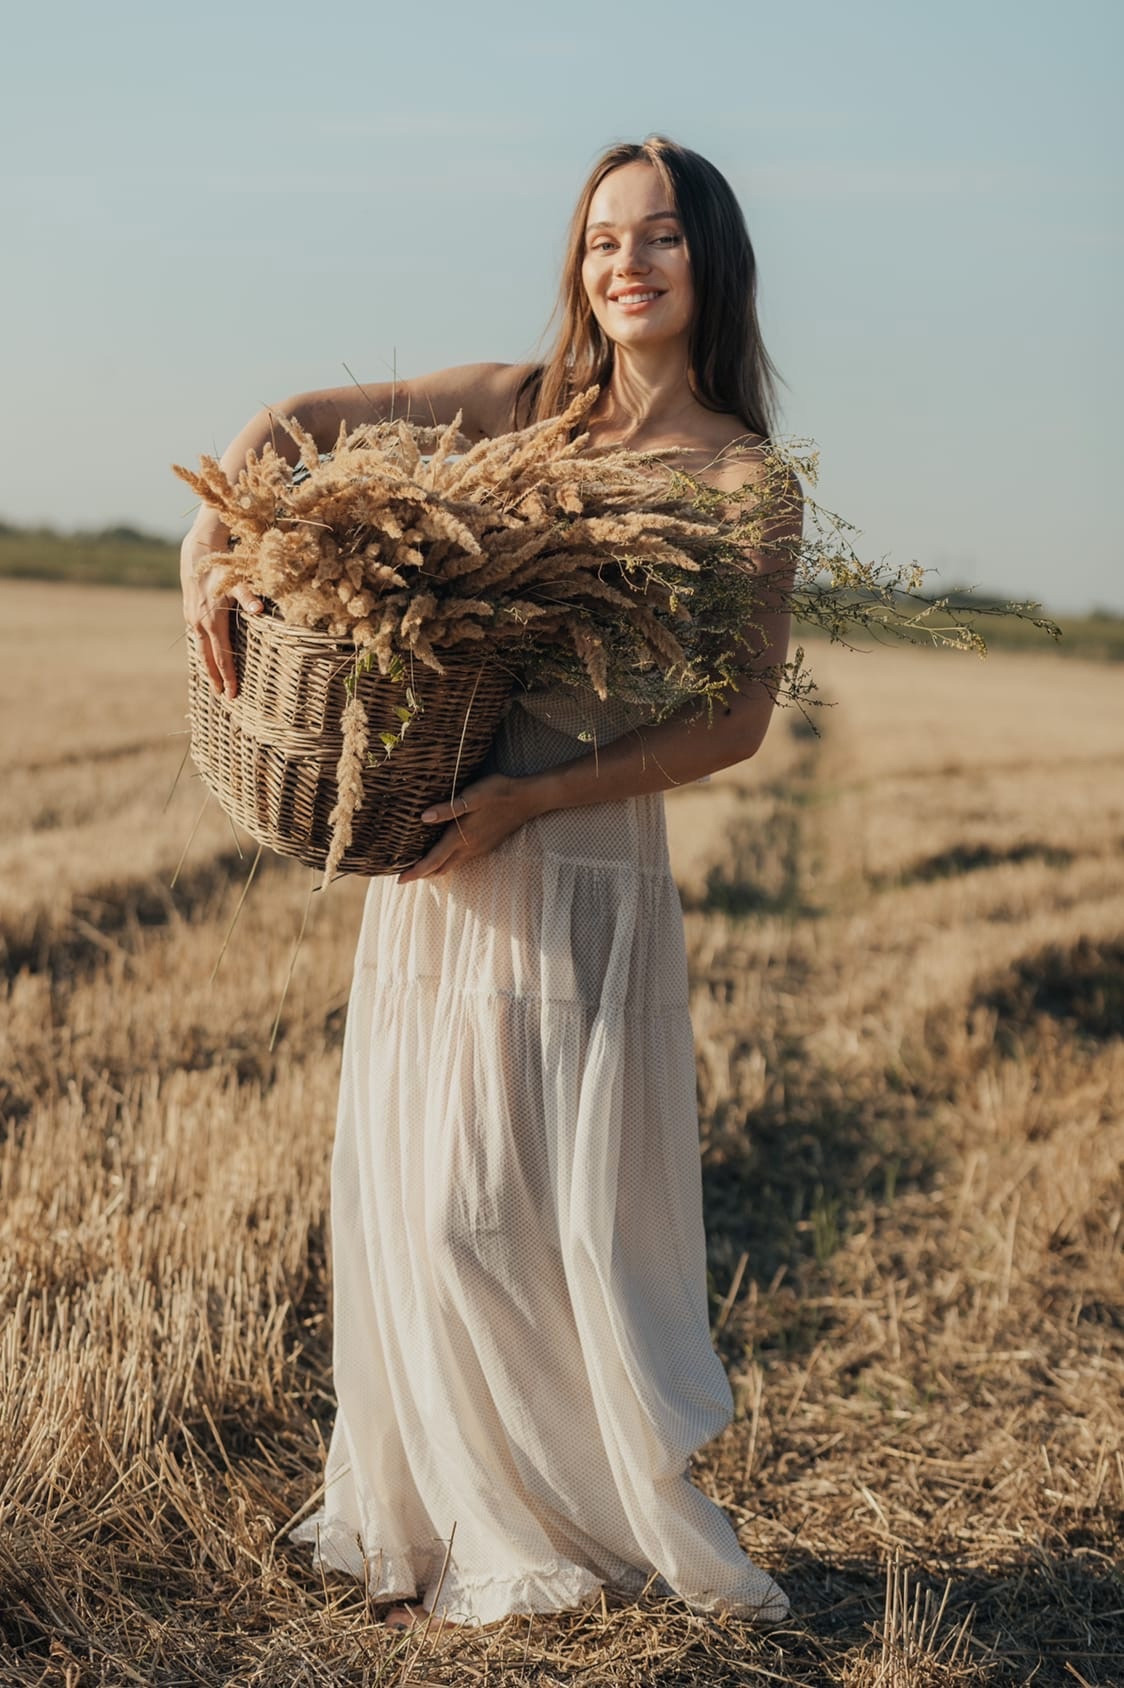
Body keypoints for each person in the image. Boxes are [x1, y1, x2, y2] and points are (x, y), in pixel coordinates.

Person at [181, 135, 801, 1632]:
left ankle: (571, 1523)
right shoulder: (525, 410)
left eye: (660, 235)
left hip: (572, 861)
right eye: (602, 238)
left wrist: (533, 801)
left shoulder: (745, 479)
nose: (626, 263)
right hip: (446, 859)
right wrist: (212, 533)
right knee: (423, 1204)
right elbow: (297, 422)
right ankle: (448, 1520)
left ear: (712, 258)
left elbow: (734, 722)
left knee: (530, 1221)